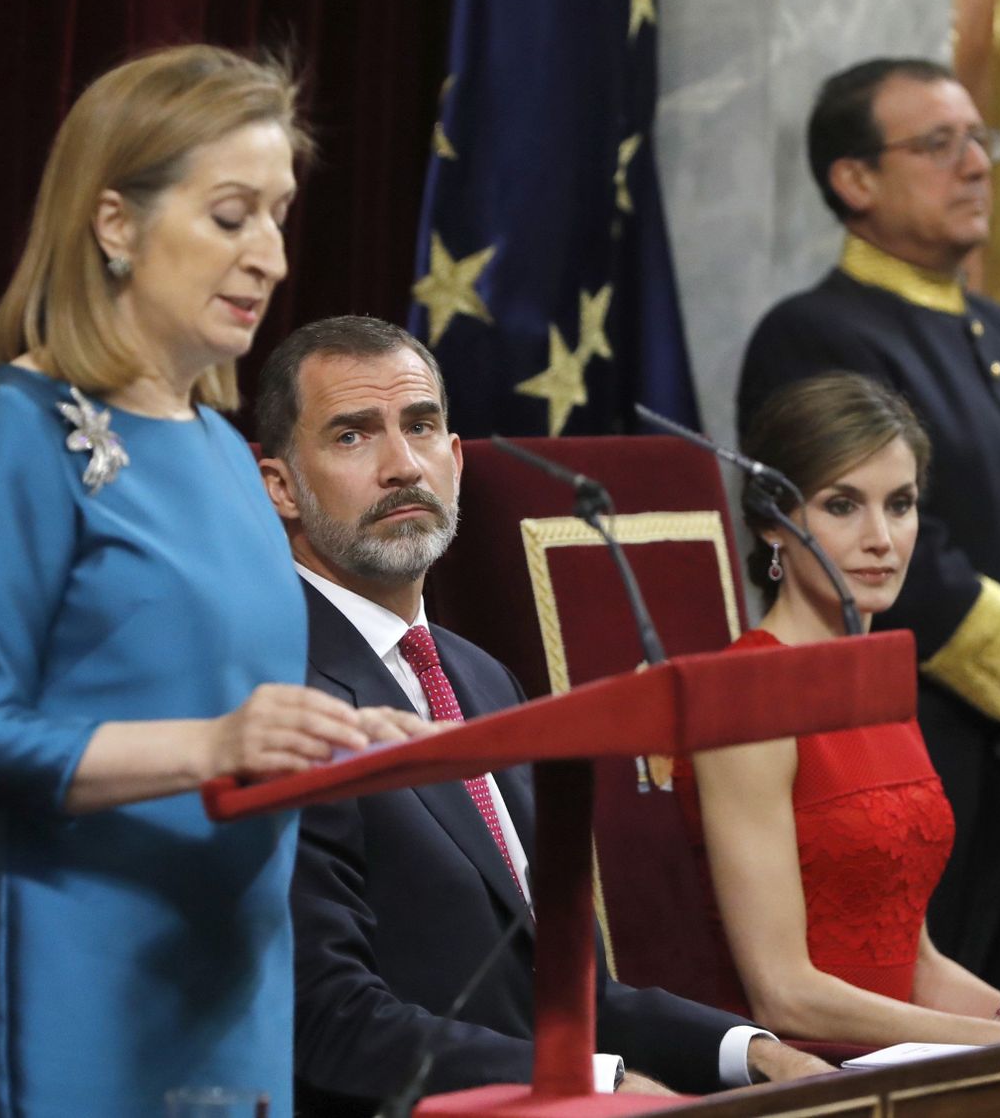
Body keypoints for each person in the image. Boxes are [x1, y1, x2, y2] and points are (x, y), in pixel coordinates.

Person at [0, 47, 436, 1116]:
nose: (271, 257)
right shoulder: (19, 430)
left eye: (280, 217)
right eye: (232, 215)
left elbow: (249, 720)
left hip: (237, 970)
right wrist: (212, 745)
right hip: (83, 965)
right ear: (115, 223)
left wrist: (341, 749)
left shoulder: (221, 449)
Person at [252, 315, 832, 1116]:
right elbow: (328, 1020)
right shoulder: (275, 695)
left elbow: (570, 990)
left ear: (456, 460)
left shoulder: (483, 679)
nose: (402, 466)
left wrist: (755, 1053)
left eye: (421, 427)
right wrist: (601, 1085)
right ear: (279, 485)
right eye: (353, 437)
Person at [737, 57, 1000, 993]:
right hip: (927, 743)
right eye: (938, 145)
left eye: (978, 142)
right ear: (854, 180)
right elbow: (911, 557)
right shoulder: (817, 330)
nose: (975, 165)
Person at [675, 373, 1000, 1046]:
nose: (882, 538)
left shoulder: (880, 682)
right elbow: (783, 997)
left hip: (899, 1064)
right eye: (843, 506)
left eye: (900, 505)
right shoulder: (746, 696)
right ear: (769, 524)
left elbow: (915, 966)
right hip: (799, 1080)